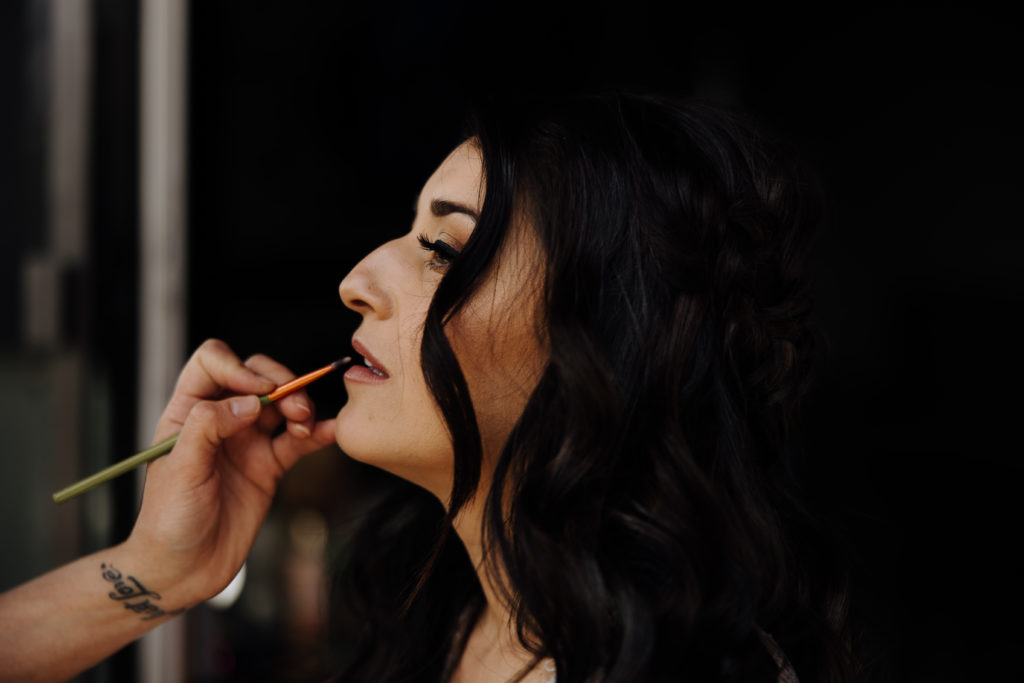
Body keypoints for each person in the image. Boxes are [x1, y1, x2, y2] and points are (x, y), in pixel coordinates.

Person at [0, 93, 856, 682]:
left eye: (442, 251)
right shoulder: (446, 614)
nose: (356, 281)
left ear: (595, 341)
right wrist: (154, 569)